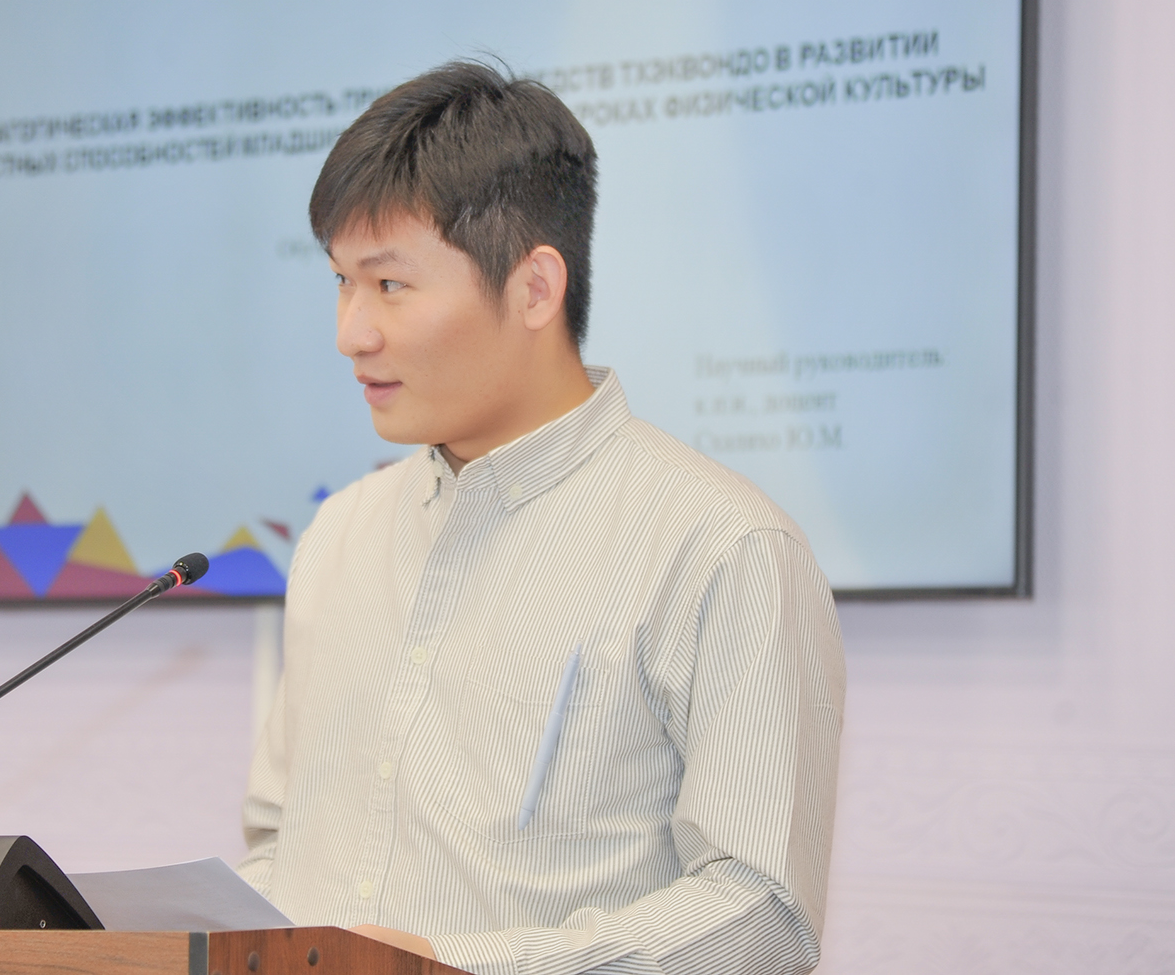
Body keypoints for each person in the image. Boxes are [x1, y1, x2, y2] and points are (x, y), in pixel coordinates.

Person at [237, 62, 845, 975]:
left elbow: (761, 915)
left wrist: (453, 966)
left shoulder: (721, 548)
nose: (350, 332)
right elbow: (281, 839)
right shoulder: (338, 535)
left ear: (534, 287)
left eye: (389, 284)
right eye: (340, 282)